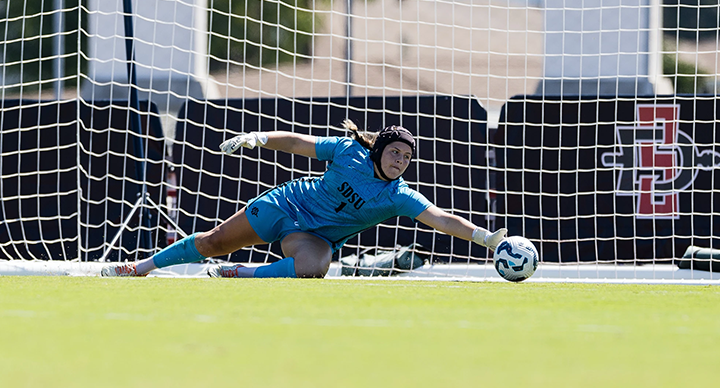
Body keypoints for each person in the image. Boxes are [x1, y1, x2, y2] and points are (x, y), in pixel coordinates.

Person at [101, 120, 507, 278]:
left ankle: (239, 275)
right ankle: (139, 267)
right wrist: (257, 138)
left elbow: (443, 218)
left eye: (406, 157)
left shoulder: (398, 196)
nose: (400, 160)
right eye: (394, 152)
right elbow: (298, 142)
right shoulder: (348, 152)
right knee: (212, 243)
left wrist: (487, 240)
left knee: (315, 267)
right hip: (287, 206)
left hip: (312, 236)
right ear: (377, 150)